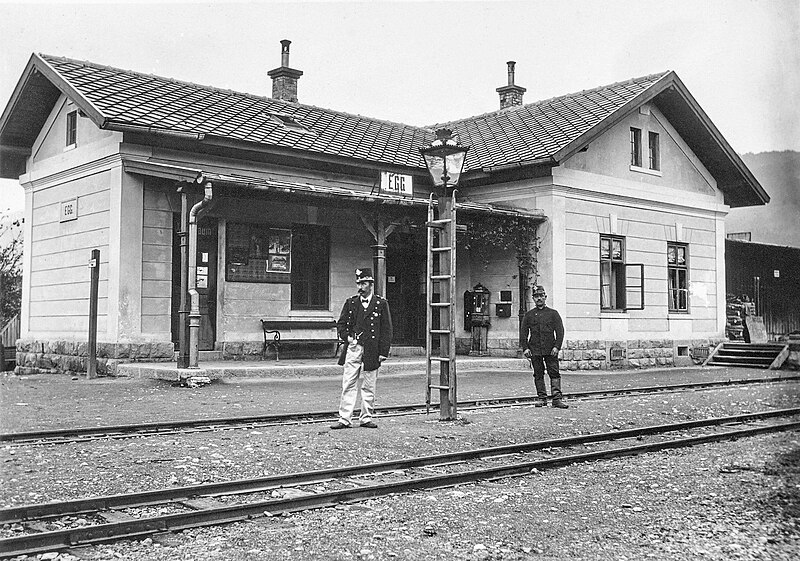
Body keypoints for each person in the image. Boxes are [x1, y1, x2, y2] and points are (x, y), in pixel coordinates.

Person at [331, 268, 393, 429]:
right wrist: (348, 338)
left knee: (369, 385)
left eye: (364, 283)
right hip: (354, 348)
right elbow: (341, 324)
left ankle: (366, 418)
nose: (360, 286)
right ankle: (344, 419)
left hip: (372, 350)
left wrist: (383, 352)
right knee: (349, 383)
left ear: (371, 284)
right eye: (358, 283)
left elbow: (387, 329)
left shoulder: (381, 303)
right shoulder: (351, 303)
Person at [522, 285, 568, 409]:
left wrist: (557, 347)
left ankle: (557, 399)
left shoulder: (553, 314)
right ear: (533, 298)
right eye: (536, 296)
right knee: (538, 374)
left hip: (550, 349)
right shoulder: (529, 315)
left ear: (545, 297)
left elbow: (560, 332)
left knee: (554, 373)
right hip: (535, 350)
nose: (539, 298)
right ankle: (541, 398)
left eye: (541, 296)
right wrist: (525, 348)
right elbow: (523, 333)